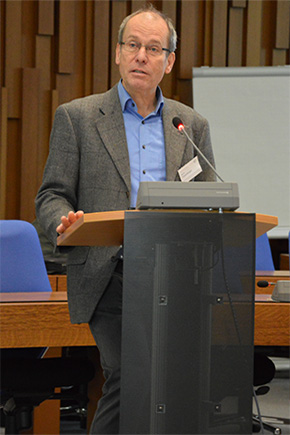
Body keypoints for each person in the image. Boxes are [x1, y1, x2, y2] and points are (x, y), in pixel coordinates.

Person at [35, 4, 216, 434]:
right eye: (132, 45)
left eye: (154, 48)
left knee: (166, 382)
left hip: (173, 276)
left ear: (169, 61)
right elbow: (51, 195)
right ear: (117, 53)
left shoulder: (188, 125)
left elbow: (209, 200)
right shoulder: (78, 118)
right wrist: (64, 221)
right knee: (130, 371)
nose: (141, 56)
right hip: (107, 271)